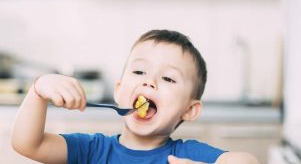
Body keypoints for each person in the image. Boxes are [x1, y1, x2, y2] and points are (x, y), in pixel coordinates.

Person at [11, 30, 259, 164]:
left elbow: (245, 161)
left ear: (189, 110)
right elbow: (28, 144)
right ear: (119, 90)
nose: (148, 81)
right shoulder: (93, 150)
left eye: (168, 79)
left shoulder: (186, 156)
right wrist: (38, 90)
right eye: (139, 71)